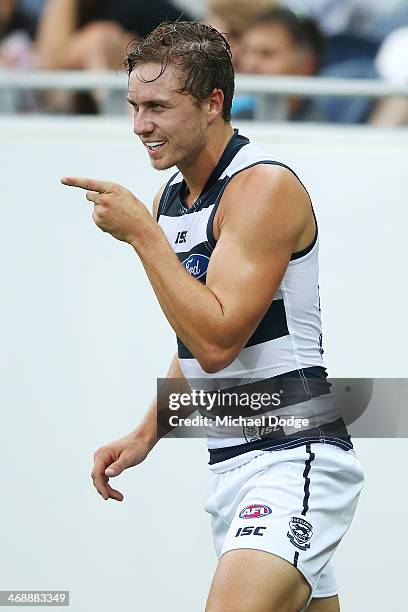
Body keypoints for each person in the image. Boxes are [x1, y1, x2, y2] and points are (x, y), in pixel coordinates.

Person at [62, 21, 365, 612]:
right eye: (133, 106)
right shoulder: (171, 200)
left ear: (212, 104)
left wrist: (143, 237)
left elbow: (218, 342)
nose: (139, 125)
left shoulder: (262, 187)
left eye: (157, 106)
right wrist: (145, 433)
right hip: (232, 466)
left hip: (293, 454)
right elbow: (193, 341)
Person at [237, 8, 325, 121]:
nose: (251, 63)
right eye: (246, 51)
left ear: (306, 65)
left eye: (267, 54)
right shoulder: (239, 117)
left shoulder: (321, 131)